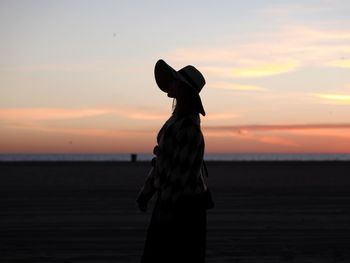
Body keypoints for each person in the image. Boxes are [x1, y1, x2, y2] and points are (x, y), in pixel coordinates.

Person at [136, 59, 214, 263]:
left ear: (184, 90)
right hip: (171, 203)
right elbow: (163, 161)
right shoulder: (177, 121)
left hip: (183, 209)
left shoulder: (189, 129)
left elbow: (180, 174)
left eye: (175, 82)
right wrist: (147, 192)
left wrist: (167, 207)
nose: (171, 85)